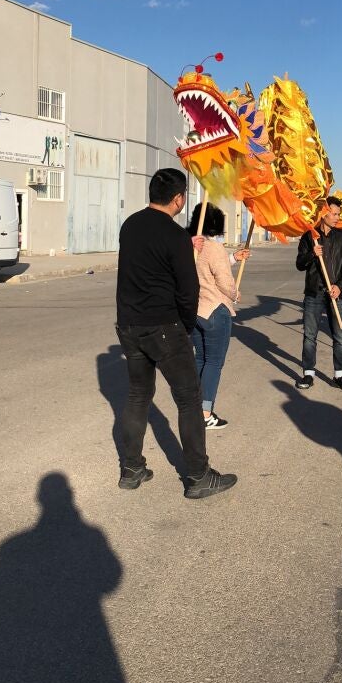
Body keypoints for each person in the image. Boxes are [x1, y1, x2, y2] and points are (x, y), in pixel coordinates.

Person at [115, 168, 237, 499]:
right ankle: (198, 475)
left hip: (129, 324)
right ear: (179, 198)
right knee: (189, 398)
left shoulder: (131, 225)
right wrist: (184, 326)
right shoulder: (175, 235)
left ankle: (132, 469)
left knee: (137, 396)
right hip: (164, 326)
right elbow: (188, 290)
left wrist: (185, 245)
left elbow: (143, 263)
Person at [295, 196, 342, 391]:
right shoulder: (309, 236)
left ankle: (340, 375)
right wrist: (312, 253)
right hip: (314, 293)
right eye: (334, 214)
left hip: (336, 294)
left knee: (340, 336)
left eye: (339, 214)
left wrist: (339, 286)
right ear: (323, 214)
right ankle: (308, 373)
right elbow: (299, 264)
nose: (337, 217)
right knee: (310, 336)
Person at [188, 203, 240, 430]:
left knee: (200, 359)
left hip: (195, 311)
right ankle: (206, 413)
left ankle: (196, 408)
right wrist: (235, 294)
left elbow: (204, 270)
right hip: (215, 310)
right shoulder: (214, 248)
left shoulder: (191, 246)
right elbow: (224, 281)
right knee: (214, 362)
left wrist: (233, 258)